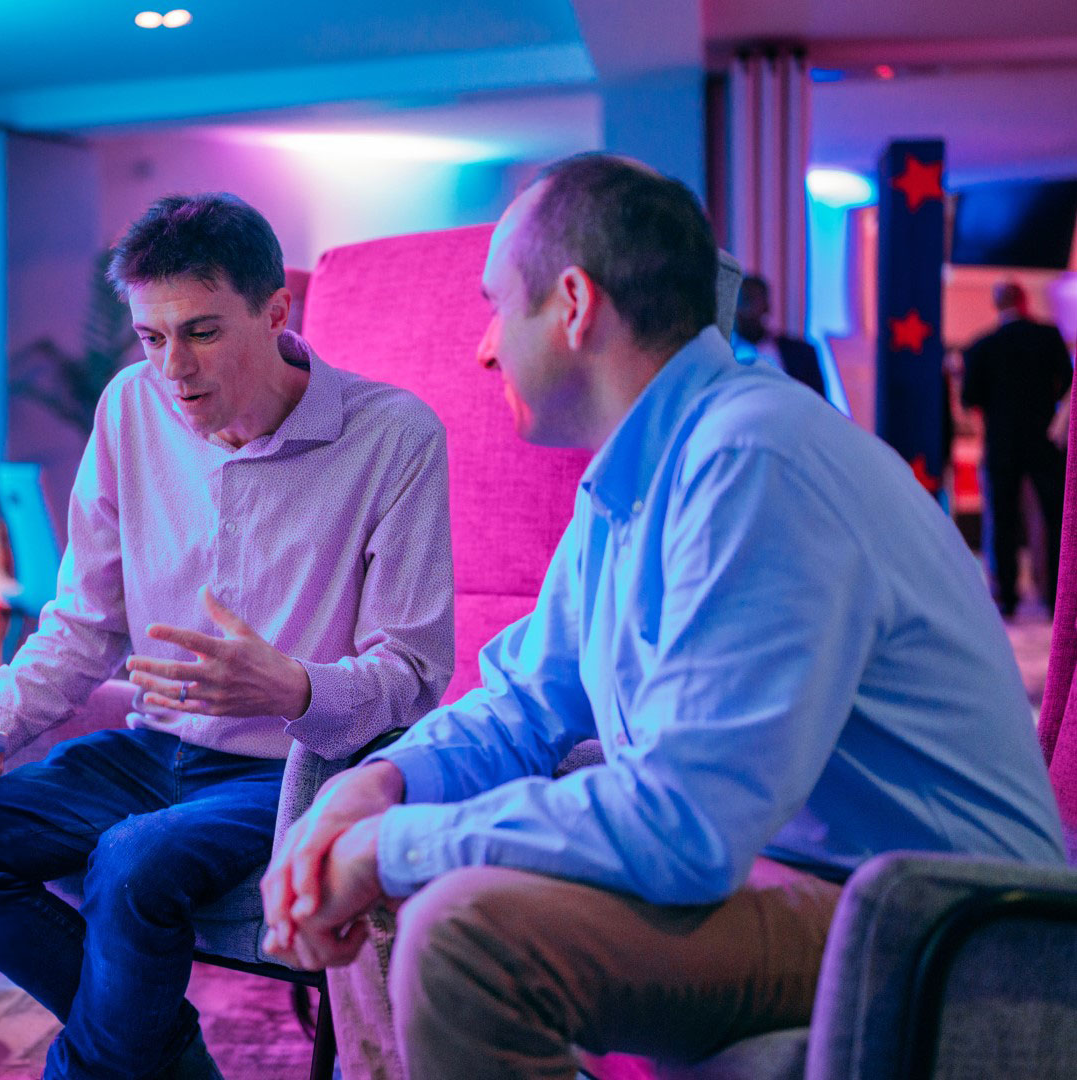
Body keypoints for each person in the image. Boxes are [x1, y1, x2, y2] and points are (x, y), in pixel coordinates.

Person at [260, 154, 1065, 1079]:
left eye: (495, 306)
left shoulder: (755, 459)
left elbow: (683, 825)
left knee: (461, 934)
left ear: (571, 303)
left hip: (943, 925)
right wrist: (384, 786)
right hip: (812, 879)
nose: (483, 348)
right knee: (397, 873)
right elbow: (524, 703)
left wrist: (391, 844)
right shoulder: (632, 480)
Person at [0, 192, 453, 1080]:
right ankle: (163, 1059)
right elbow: (85, 620)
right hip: (152, 751)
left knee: (130, 860)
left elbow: (417, 670)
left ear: (277, 311)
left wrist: (293, 689)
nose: (172, 368)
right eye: (151, 338)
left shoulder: (392, 436)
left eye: (200, 333)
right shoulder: (130, 406)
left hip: (291, 775)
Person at [962, 280, 1073, 616]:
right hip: (1043, 442)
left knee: (1003, 520)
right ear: (1024, 301)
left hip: (1002, 444)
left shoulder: (981, 347)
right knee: (1055, 520)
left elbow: (970, 398)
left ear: (997, 305)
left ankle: (1007, 597)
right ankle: (1055, 597)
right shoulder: (1048, 337)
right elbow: (1069, 385)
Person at [731, 274, 827, 396]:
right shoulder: (716, 356)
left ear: (767, 306)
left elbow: (821, 404)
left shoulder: (801, 353)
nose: (745, 310)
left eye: (750, 301)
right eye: (738, 302)